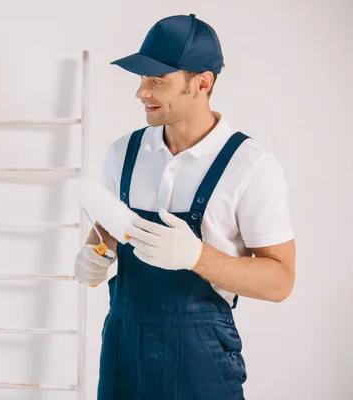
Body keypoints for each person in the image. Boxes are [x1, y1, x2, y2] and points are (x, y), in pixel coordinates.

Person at [73, 14, 296, 400]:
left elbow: (280, 282)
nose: (142, 92)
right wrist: (96, 252)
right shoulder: (122, 152)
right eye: (141, 79)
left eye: (157, 81)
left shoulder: (251, 165)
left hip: (200, 359)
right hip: (123, 349)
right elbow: (109, 228)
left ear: (202, 83)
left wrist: (196, 257)